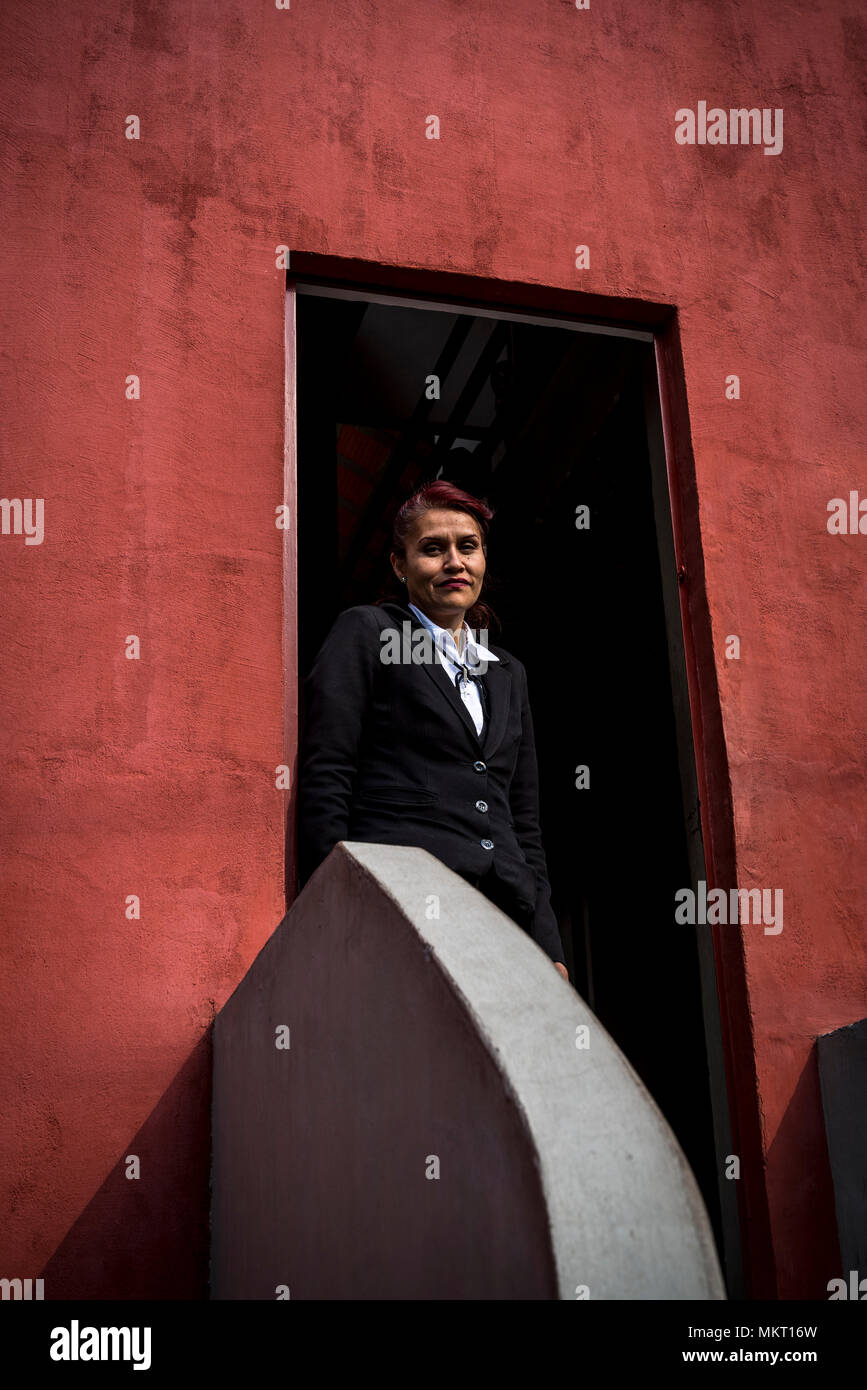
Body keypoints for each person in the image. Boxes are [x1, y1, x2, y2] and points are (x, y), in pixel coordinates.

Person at [297, 479, 568, 981]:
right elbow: (328, 772)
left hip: (505, 916)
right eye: (432, 549)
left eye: (468, 547)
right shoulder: (369, 632)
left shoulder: (507, 672)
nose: (454, 562)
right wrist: (330, 901)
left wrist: (548, 945)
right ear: (399, 565)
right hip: (403, 900)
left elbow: (523, 821)